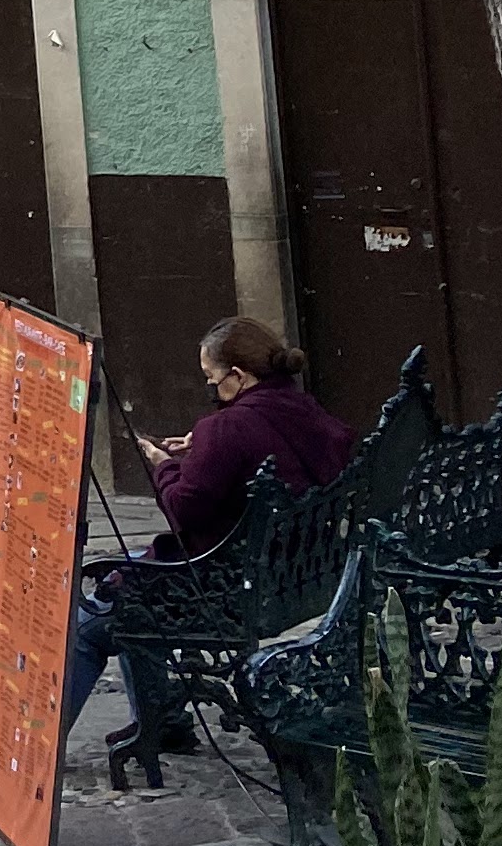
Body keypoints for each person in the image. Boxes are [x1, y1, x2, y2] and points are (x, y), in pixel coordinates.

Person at [65, 315, 356, 759]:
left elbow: (184, 509)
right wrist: (198, 451)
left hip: (228, 587)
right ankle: (163, 718)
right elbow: (255, 459)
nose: (209, 390)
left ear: (238, 377)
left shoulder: (225, 429)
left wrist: (163, 464)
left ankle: (40, 749)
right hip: (293, 576)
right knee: (134, 574)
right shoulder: (307, 412)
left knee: (100, 617)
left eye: (211, 380)